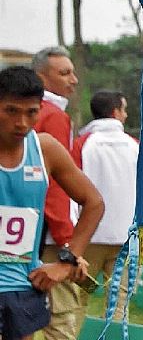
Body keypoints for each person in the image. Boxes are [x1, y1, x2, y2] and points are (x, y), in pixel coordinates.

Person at [0, 67, 104, 340]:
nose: (22, 122)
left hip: (20, 287)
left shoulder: (45, 149)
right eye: (11, 111)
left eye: (31, 112)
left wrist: (68, 260)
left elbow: (93, 202)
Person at [32, 47, 88, 340]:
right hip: (50, 232)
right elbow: (56, 185)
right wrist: (68, 237)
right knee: (62, 314)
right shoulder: (53, 115)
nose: (74, 80)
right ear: (41, 79)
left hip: (22, 228)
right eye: (64, 73)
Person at [70, 90, 140, 325]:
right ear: (115, 112)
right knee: (119, 304)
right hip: (126, 238)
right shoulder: (135, 146)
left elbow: (69, 190)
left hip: (89, 237)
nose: (126, 114)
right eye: (124, 109)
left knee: (76, 299)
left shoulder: (82, 144)